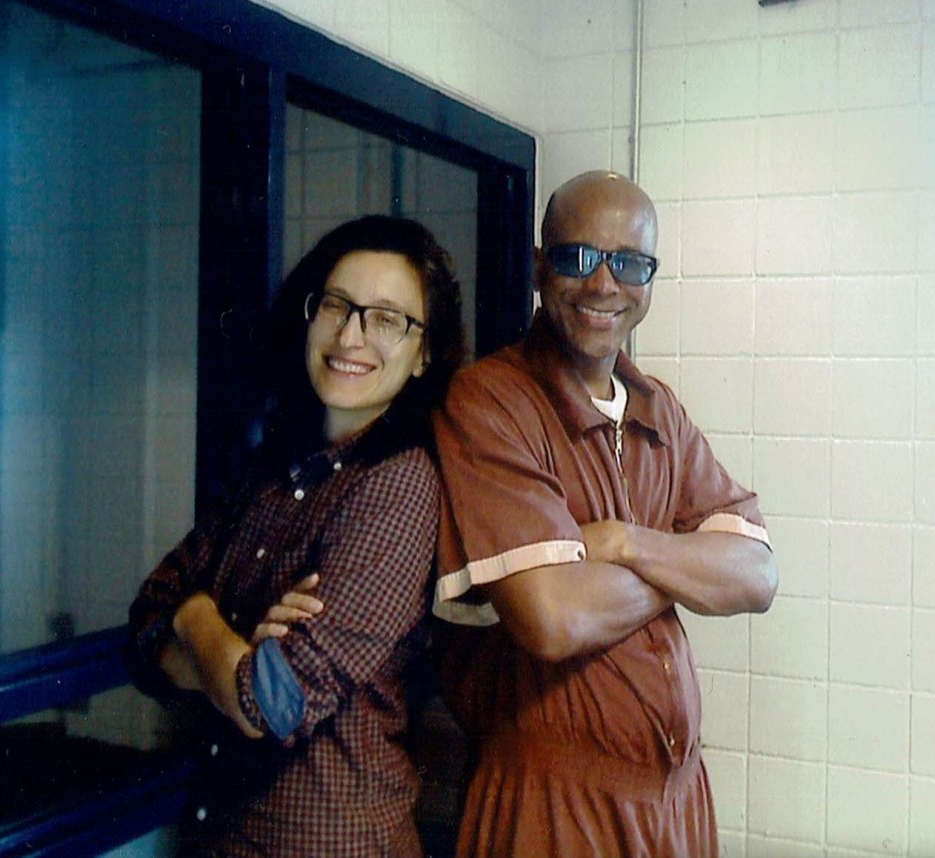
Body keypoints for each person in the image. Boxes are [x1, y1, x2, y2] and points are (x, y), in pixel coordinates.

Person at [432, 170, 778, 857]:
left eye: (628, 263)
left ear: (650, 278)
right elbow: (554, 619)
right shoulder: (492, 400)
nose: (602, 284)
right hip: (552, 806)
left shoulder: (658, 409)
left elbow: (758, 576)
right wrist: (688, 569)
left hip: (677, 803)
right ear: (539, 266)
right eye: (577, 257)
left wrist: (623, 542)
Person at [127, 215, 465, 857]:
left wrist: (194, 617)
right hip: (225, 838)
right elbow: (145, 624)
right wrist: (226, 644)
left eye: (386, 319)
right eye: (336, 305)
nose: (350, 335)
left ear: (425, 354)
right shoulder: (271, 470)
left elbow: (270, 704)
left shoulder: (399, 485)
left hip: (334, 842)